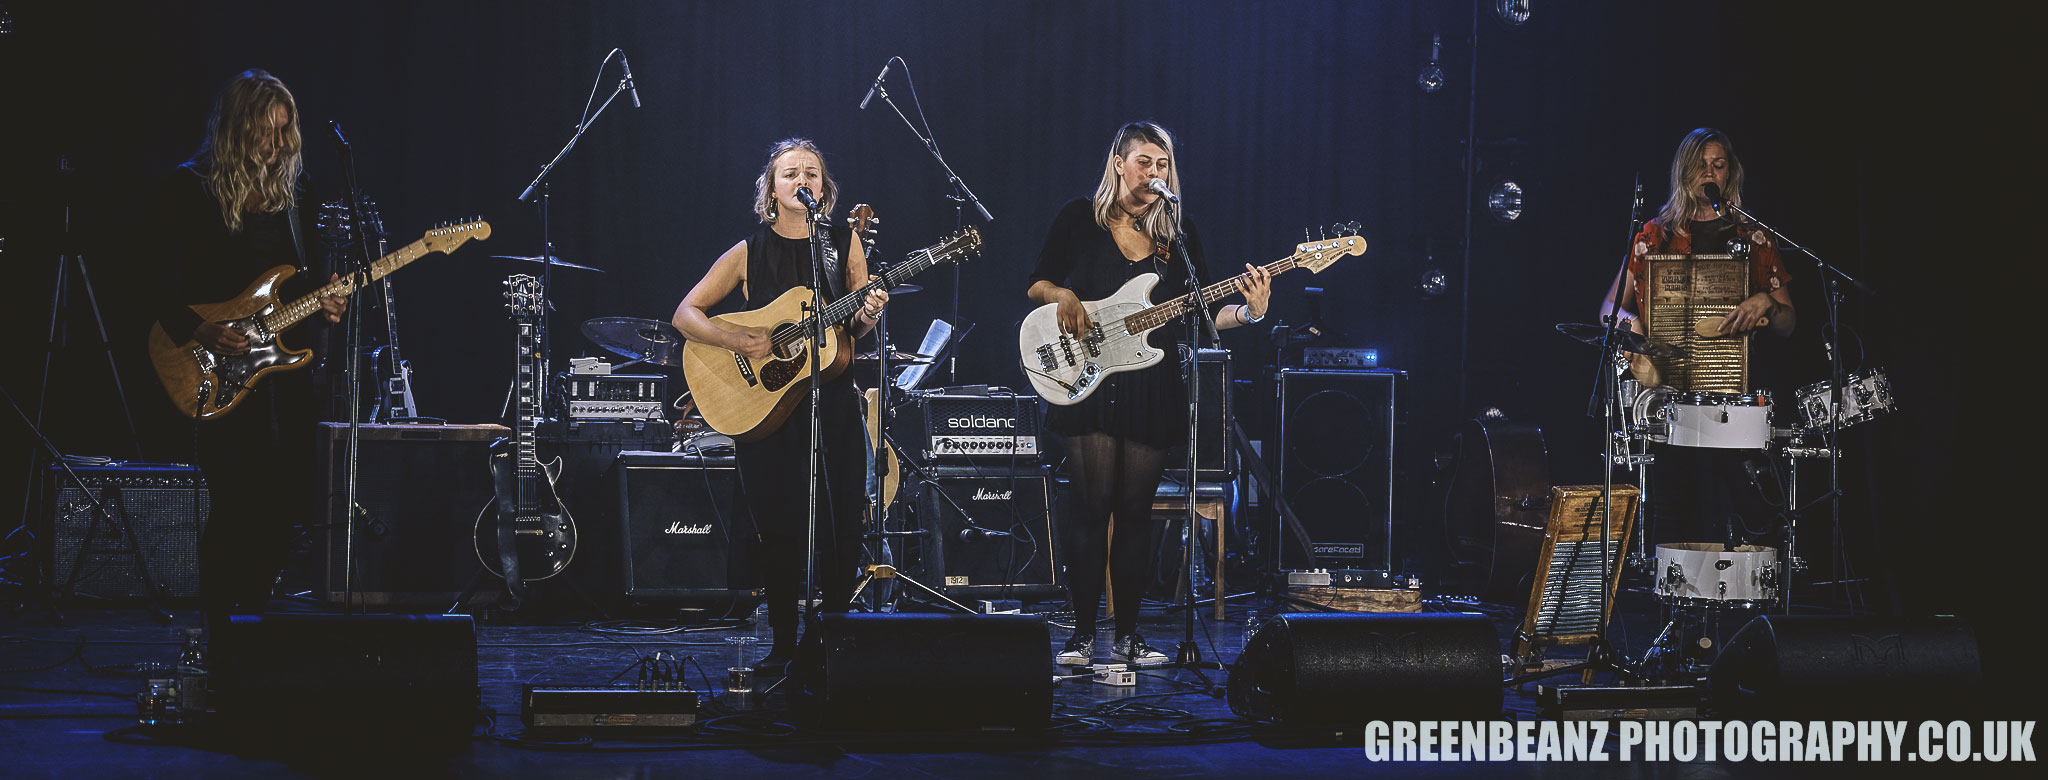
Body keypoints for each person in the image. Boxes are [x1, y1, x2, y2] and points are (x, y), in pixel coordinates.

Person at [1027, 122, 1271, 667]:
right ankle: (1083, 632)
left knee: (1135, 511)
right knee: (1091, 507)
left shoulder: (1176, 235)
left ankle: (1130, 636)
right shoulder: (1079, 218)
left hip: (1149, 383)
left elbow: (1206, 313)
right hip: (1085, 377)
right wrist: (1065, 295)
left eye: (1161, 164)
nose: (1153, 172)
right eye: (1143, 161)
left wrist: (1251, 311)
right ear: (1118, 163)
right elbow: (1037, 281)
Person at [671, 138, 889, 674]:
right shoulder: (749, 250)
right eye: (790, 173)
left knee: (841, 519)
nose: (803, 180)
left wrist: (871, 311)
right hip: (765, 410)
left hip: (832, 400)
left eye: (812, 173)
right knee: (779, 523)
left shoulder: (844, 242)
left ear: (824, 188)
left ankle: (835, 637)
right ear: (771, 190)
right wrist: (739, 341)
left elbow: (853, 330)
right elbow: (686, 313)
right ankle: (785, 642)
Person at [146, 69, 347, 633]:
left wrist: (325, 304)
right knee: (234, 506)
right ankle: (219, 635)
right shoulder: (189, 188)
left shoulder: (296, 193)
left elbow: (298, 285)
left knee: (282, 509)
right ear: (237, 129)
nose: (278, 145)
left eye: (286, 132)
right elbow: (148, 279)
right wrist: (199, 328)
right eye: (267, 131)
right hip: (214, 369)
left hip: (279, 378)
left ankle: (252, 632)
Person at [1599, 127, 1796, 546]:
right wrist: (1631, 329)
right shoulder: (1655, 236)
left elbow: (1788, 323)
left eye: (1718, 165)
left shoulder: (1753, 237)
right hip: (1669, 399)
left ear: (1731, 174)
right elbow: (1608, 311)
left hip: (1734, 397)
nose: (1709, 173)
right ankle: (1673, 608)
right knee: (1673, 512)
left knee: (1739, 512)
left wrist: (1765, 302)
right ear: (1684, 172)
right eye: (1700, 165)